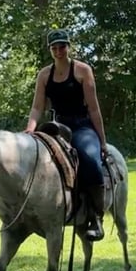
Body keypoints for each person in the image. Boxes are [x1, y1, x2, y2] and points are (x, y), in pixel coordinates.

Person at [25, 28, 108, 241]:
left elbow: (94, 109)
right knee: (35, 159)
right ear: (50, 50)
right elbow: (37, 108)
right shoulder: (44, 75)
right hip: (56, 127)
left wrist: (102, 141)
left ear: (68, 47)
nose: (59, 50)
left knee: (89, 159)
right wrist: (30, 130)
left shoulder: (82, 70)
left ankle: (96, 217)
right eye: (54, 47)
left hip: (82, 125)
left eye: (62, 46)